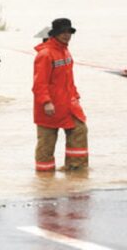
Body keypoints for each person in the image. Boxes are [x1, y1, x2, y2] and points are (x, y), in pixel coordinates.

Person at [32, 18, 88, 172]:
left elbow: (69, 79)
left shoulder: (65, 51)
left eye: (69, 32)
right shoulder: (45, 54)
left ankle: (77, 170)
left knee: (80, 131)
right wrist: (46, 102)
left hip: (68, 104)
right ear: (54, 34)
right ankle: (45, 181)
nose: (66, 35)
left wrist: (75, 96)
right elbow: (39, 84)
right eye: (62, 32)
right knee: (46, 144)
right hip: (49, 107)